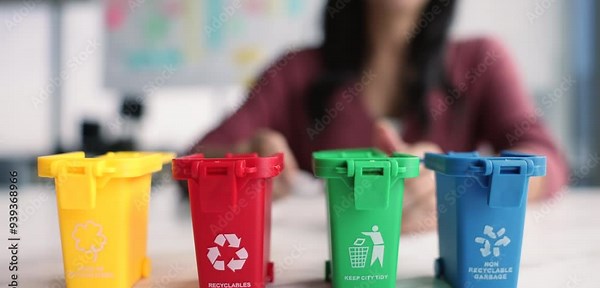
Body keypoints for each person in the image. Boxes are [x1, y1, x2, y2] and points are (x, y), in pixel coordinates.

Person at [187, 0, 569, 233]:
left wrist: (466, 185)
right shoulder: (295, 72)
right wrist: (244, 164)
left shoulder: (483, 61)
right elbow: (193, 161)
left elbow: (547, 161)